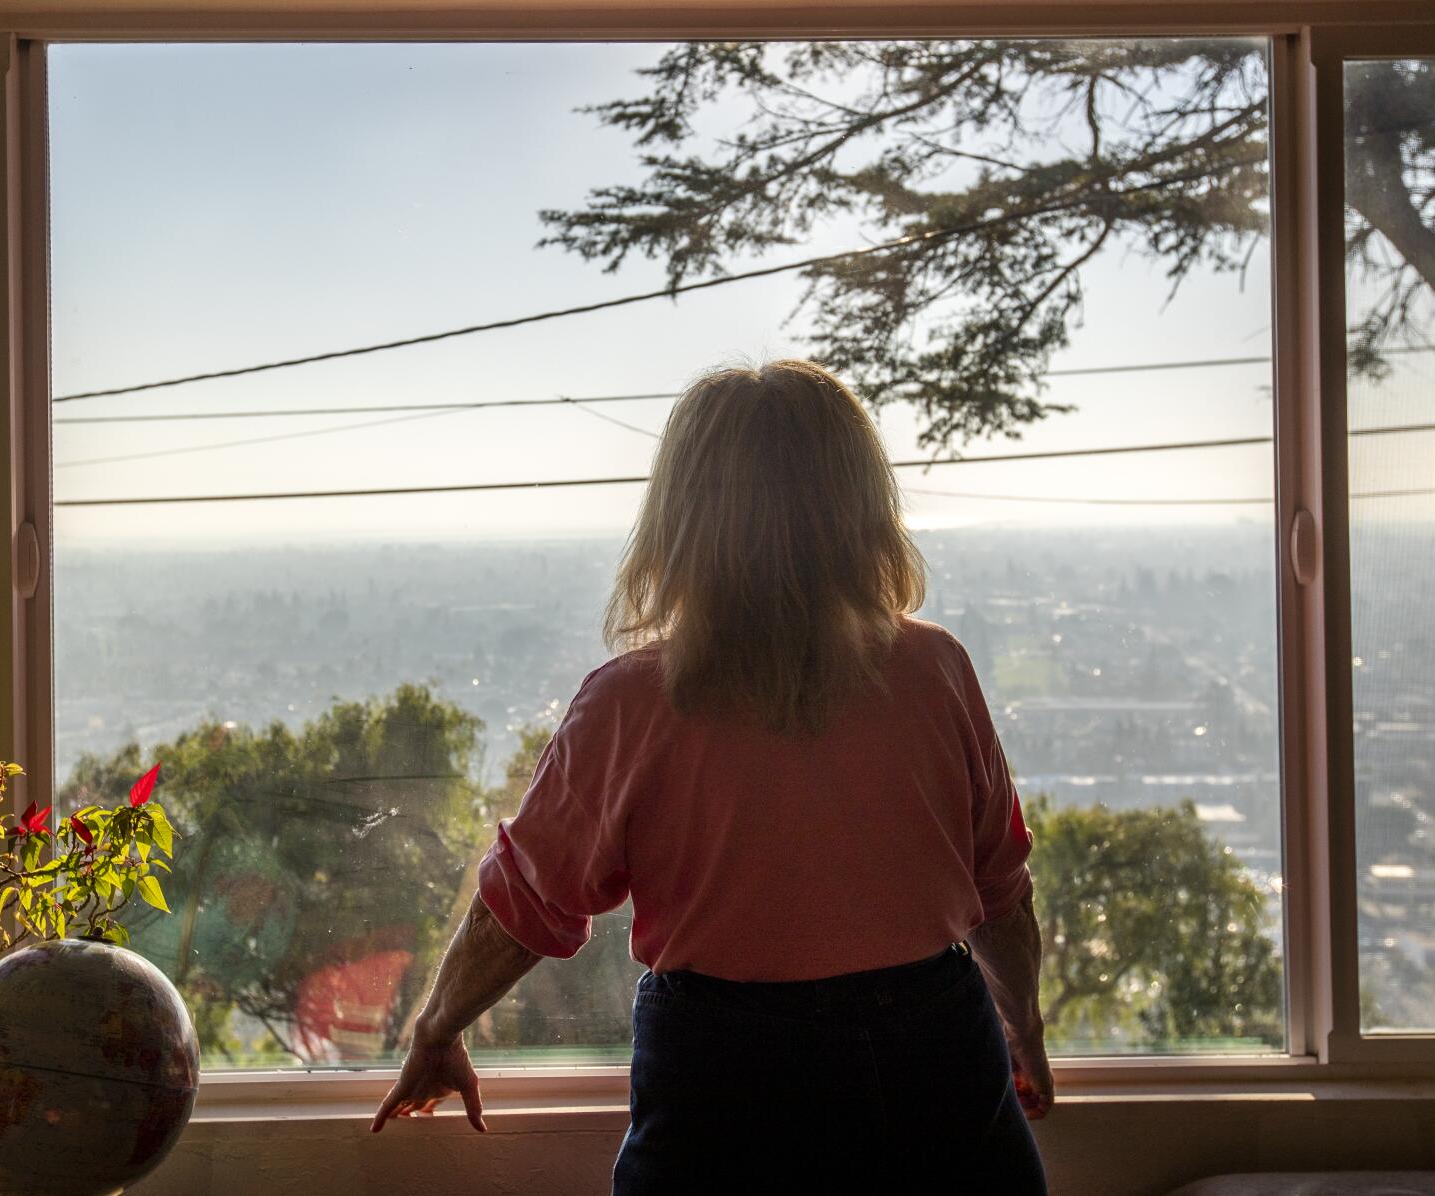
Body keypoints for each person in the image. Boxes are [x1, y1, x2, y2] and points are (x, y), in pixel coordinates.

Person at [370, 360, 1051, 1192]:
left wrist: (437, 1028)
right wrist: (1023, 1025)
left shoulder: (631, 703)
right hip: (936, 1052)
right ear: (863, 509)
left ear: (681, 519)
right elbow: (1000, 891)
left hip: (726, 1076)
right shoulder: (936, 670)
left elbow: (525, 900)